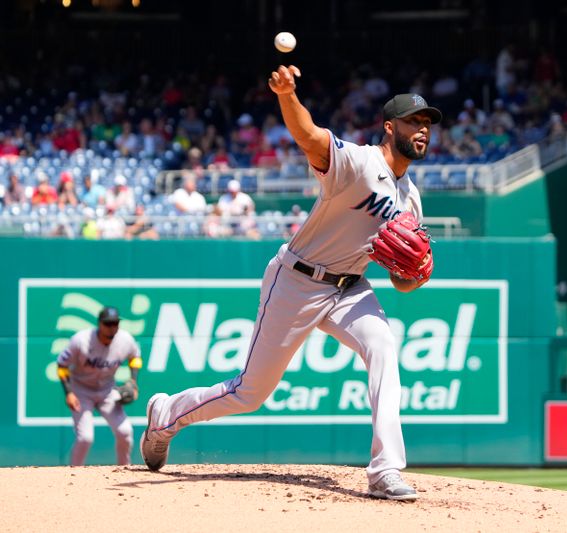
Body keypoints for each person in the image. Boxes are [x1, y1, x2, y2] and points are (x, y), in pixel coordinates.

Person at [140, 65, 441, 502]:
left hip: (349, 288)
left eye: (428, 124)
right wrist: (286, 95)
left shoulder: (410, 197)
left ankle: (385, 470)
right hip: (298, 280)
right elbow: (310, 136)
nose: (424, 130)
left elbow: (401, 284)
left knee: (383, 346)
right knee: (249, 393)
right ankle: (165, 413)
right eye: (415, 122)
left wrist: (414, 275)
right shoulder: (358, 162)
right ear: (390, 127)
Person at [57, 306, 142, 466]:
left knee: (125, 432)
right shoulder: (80, 341)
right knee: (85, 438)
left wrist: (133, 381)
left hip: (107, 391)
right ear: (99, 324)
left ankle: (124, 469)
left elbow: (135, 357)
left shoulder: (125, 340)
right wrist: (68, 392)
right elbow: (62, 365)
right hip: (81, 391)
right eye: (108, 324)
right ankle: (74, 474)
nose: (112, 328)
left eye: (115, 323)